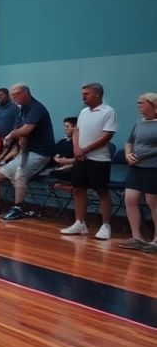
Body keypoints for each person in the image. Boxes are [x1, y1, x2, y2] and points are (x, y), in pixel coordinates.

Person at [0, 84, 54, 222]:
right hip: (25, 152)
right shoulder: (21, 109)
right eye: (12, 95)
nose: (13, 98)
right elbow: (22, 134)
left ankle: (19, 208)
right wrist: (19, 145)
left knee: (20, 174)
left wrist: (10, 135)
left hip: (40, 153)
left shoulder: (36, 108)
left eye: (16, 95)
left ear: (26, 93)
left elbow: (26, 129)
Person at [61, 83, 118, 240]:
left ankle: (106, 225)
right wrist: (76, 148)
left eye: (86, 93)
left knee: (102, 191)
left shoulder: (108, 112)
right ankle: (80, 223)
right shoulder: (83, 111)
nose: (83, 96)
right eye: (83, 93)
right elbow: (77, 131)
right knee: (78, 189)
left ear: (97, 95)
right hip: (81, 159)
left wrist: (85, 150)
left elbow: (107, 136)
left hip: (99, 159)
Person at [118, 93, 157, 251]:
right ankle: (137, 237)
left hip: (152, 167)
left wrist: (141, 155)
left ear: (152, 104)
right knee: (130, 199)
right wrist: (128, 154)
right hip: (135, 167)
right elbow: (129, 142)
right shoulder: (139, 124)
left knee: (152, 202)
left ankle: (156, 240)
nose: (138, 106)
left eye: (141, 103)